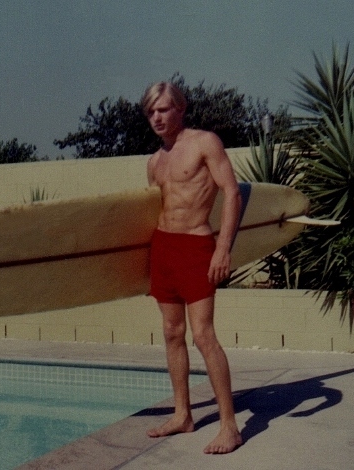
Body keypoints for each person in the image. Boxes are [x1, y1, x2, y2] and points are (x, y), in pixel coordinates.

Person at [142, 82, 243, 454]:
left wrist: (222, 249)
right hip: (163, 248)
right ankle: (183, 414)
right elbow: (150, 211)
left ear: (180, 109)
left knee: (203, 335)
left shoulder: (205, 143)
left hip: (197, 245)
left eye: (164, 109)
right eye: (151, 111)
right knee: (171, 332)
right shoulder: (154, 161)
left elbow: (231, 192)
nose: (157, 117)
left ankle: (229, 426)